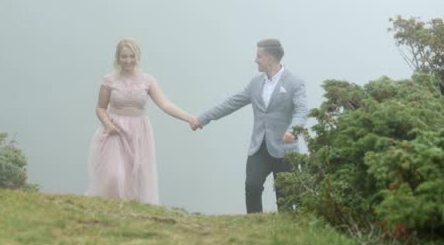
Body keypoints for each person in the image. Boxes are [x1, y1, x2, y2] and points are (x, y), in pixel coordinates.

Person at [192, 39, 308, 213]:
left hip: (285, 150)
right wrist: (203, 118)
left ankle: (286, 231)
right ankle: (255, 222)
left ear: (270, 58)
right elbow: (232, 103)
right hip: (259, 147)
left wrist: (293, 130)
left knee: (285, 196)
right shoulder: (255, 84)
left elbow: (301, 111)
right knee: (252, 186)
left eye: (258, 56)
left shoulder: (294, 82)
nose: (255, 60)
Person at [86, 38, 199, 204]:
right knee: (114, 175)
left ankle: (130, 211)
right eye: (124, 56)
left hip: (139, 132)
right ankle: (110, 204)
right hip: (115, 131)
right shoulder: (109, 80)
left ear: (137, 57)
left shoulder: (147, 80)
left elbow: (165, 104)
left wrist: (189, 118)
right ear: (117, 58)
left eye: (132, 56)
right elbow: (100, 108)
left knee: (135, 176)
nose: (128, 60)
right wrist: (108, 125)